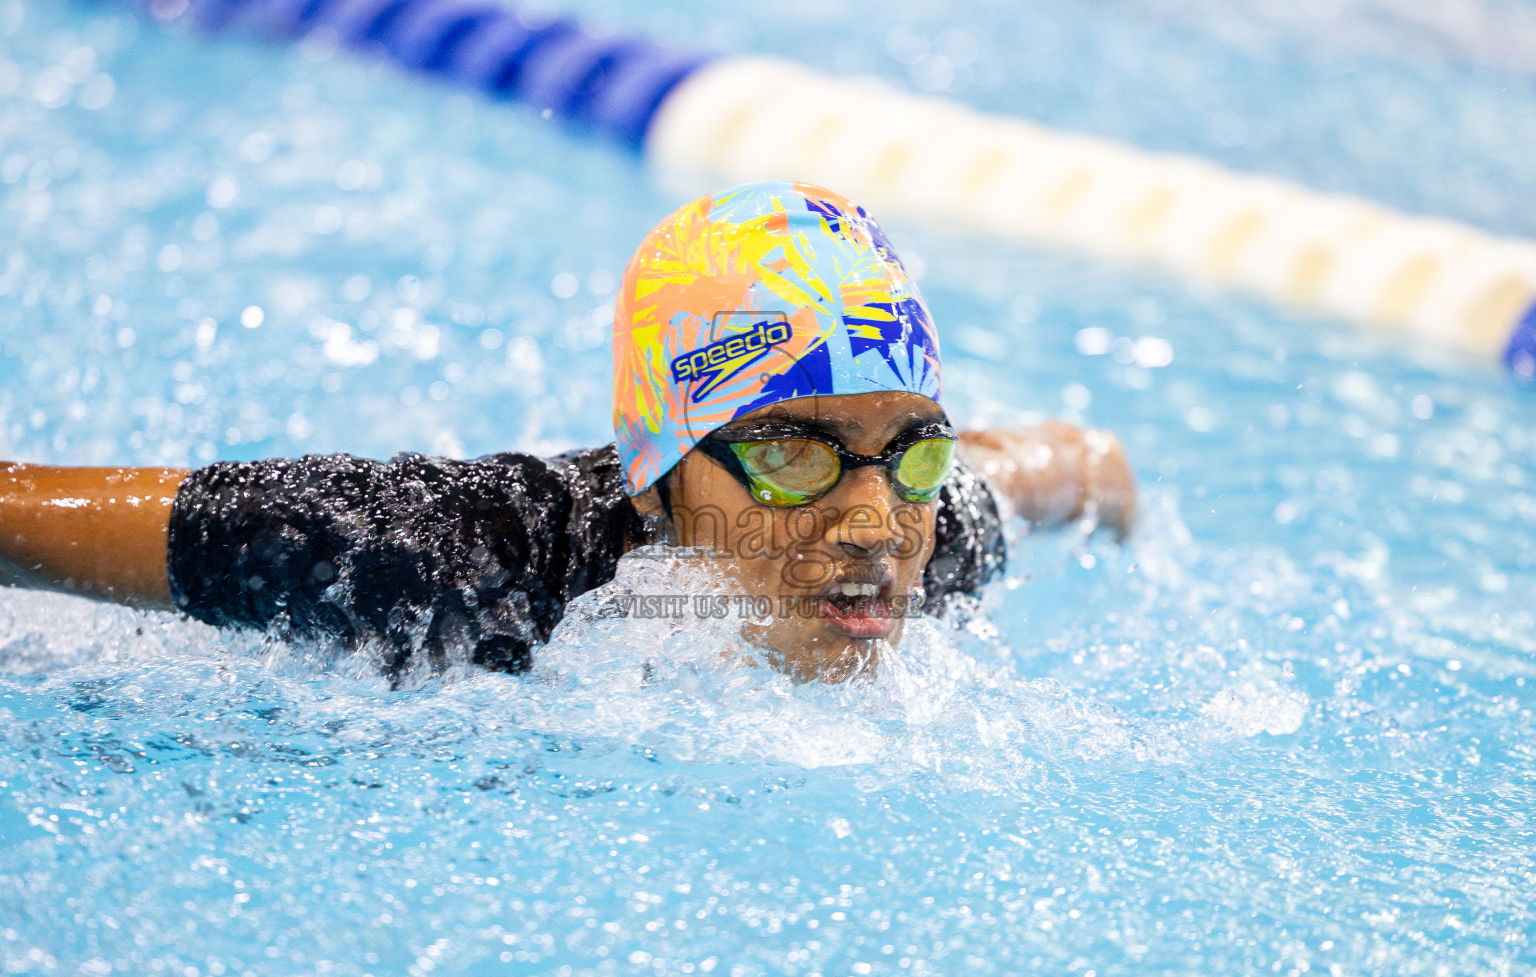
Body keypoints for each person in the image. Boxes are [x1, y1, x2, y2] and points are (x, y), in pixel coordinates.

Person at [0, 181, 1134, 679]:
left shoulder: (937, 533)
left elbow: (1065, 464)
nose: (877, 523)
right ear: (664, 468)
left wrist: (1104, 488)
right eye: (791, 452)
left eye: (911, 447)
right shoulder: (469, 560)